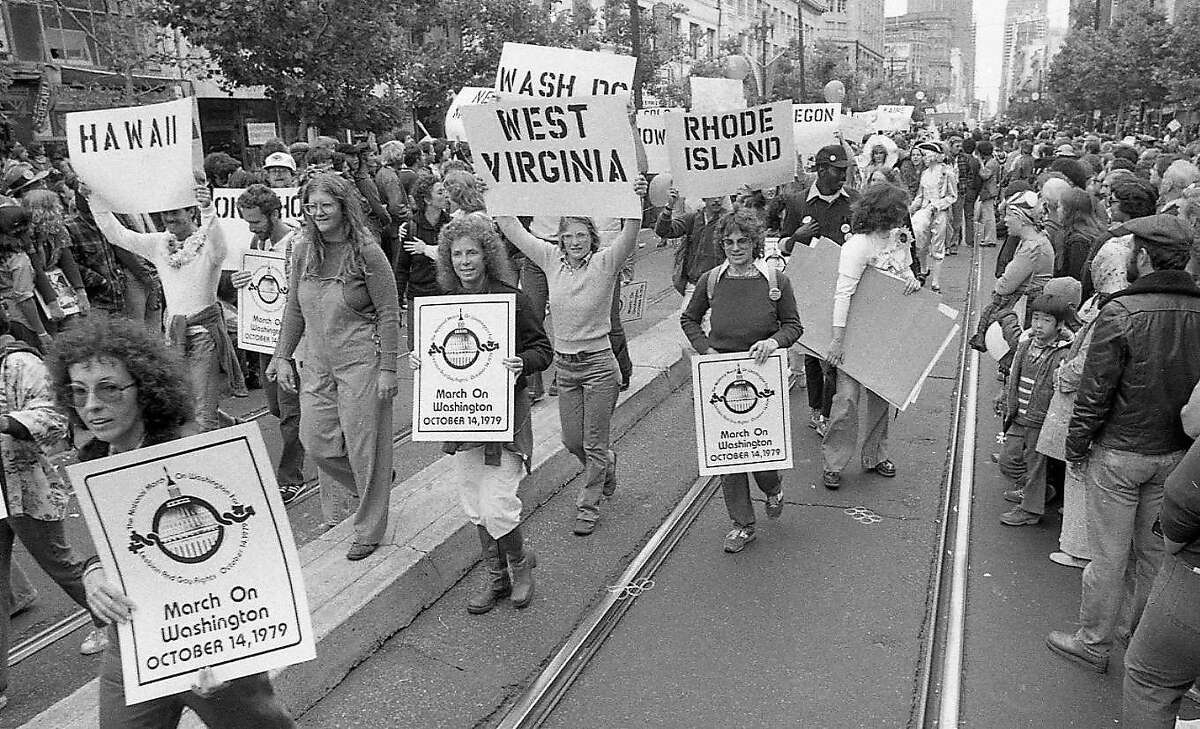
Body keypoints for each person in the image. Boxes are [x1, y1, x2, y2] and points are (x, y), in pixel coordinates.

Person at [47, 315, 294, 728]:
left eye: (108, 388)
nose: (91, 404)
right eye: (78, 392)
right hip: (134, 642)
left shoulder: (192, 452)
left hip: (211, 644)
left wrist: (222, 652)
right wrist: (92, 573)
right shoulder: (95, 457)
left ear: (144, 389)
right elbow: (113, 542)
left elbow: (250, 549)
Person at [1048, 214, 1200, 674]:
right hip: (1174, 452)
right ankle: (1141, 637)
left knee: (1108, 557)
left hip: (1119, 450)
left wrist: (1075, 446)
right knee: (1153, 554)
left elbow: (1096, 391)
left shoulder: (1122, 311)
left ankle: (1093, 641)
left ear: (1144, 256)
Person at [495, 176, 647, 536]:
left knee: (594, 442)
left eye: (581, 235)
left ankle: (589, 505)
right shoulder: (550, 261)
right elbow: (512, 228)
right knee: (572, 442)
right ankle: (606, 465)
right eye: (568, 236)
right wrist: (497, 193)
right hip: (565, 367)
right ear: (559, 239)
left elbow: (631, 228)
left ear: (591, 237)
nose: (574, 242)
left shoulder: (606, 263)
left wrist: (634, 197)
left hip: (598, 365)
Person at [269, 173, 400, 561]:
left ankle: (369, 529)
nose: (318, 212)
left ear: (344, 206)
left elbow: (390, 313)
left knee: (364, 448)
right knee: (316, 442)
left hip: (362, 360)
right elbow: (294, 307)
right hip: (318, 363)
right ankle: (375, 484)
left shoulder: (367, 253)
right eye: (311, 206)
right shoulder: (303, 252)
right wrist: (281, 355)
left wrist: (389, 369)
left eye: (326, 205)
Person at [428, 215, 551, 612]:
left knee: (498, 503)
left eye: (472, 252)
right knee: (473, 503)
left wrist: (522, 362)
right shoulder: (444, 303)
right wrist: (422, 366)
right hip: (463, 420)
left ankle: (520, 566)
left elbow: (542, 349)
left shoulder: (510, 299)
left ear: (487, 255)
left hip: (505, 419)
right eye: (457, 254)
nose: (464, 260)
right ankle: (497, 576)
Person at [680, 209, 802, 552]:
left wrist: (773, 341)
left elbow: (793, 325)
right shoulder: (711, 280)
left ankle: (772, 488)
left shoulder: (775, 280)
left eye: (742, 241)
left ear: (755, 243)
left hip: (762, 376)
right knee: (728, 455)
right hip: (721, 376)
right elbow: (689, 319)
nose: (735, 248)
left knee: (761, 456)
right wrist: (706, 350)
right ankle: (742, 524)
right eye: (729, 242)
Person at [85, 181, 241, 431]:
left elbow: (220, 247)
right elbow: (117, 235)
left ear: (190, 212)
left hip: (204, 336)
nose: (170, 218)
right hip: (174, 336)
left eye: (176, 212)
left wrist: (207, 207)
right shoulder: (158, 244)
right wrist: (95, 200)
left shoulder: (207, 245)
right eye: (166, 213)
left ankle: (209, 456)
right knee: (185, 404)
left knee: (201, 413)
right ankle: (235, 429)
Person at [822, 183, 921, 490]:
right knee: (847, 399)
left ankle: (876, 455)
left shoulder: (899, 239)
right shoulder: (858, 245)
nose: (899, 219)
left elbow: (905, 271)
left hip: (886, 329)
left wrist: (912, 280)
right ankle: (834, 461)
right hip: (856, 331)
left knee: (881, 396)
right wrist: (838, 340)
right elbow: (843, 293)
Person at [1041, 241, 1132, 570]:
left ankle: (1078, 548)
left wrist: (1063, 375)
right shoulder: (1122, 305)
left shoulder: (1109, 311)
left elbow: (1086, 364)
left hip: (1087, 405)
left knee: (1079, 473)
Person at [229, 185, 306, 504]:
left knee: (290, 412)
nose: (252, 228)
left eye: (256, 221)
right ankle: (337, 443)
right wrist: (238, 281)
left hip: (289, 343)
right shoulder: (256, 242)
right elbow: (252, 285)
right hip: (263, 337)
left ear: (275, 214)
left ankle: (291, 477)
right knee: (276, 406)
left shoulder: (297, 242)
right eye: (247, 222)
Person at [777, 144, 856, 436]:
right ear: (821, 170)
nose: (843, 177)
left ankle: (828, 410)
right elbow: (783, 246)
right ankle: (817, 411)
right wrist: (795, 237)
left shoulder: (854, 202)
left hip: (844, 289)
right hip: (811, 290)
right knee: (813, 354)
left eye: (845, 171)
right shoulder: (798, 203)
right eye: (838, 171)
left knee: (835, 354)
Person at [995, 294, 1074, 526]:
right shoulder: (1026, 343)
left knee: (1035, 464)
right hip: (1019, 414)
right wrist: (1004, 395)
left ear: (1059, 325)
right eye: (1035, 318)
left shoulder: (1063, 352)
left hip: (1041, 419)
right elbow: (1014, 373)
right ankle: (1038, 490)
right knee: (1008, 460)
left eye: (1046, 320)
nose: (1038, 325)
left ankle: (1030, 509)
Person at [968, 191, 1054, 352]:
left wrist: (1000, 282)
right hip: (1032, 304)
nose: (1004, 220)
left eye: (1008, 215)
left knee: (1017, 354)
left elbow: (1005, 286)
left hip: (1025, 310)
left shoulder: (1032, 248)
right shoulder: (1037, 241)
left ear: (1020, 218)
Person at [395, 172, 447, 348]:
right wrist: (397, 300)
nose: (446, 194)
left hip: (446, 293)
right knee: (417, 346)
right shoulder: (411, 228)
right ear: (427, 199)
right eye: (440, 192)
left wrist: (426, 249)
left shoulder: (451, 225)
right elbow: (401, 268)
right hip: (419, 295)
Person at [0, 206, 54, 352]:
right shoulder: (18, 260)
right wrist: (41, 332)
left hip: (5, 317)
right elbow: (24, 300)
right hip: (21, 320)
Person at [909, 141, 957, 293]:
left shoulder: (946, 173)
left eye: (926, 154)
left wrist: (939, 205)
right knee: (919, 241)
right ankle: (923, 269)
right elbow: (920, 195)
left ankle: (936, 281)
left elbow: (952, 196)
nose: (923, 158)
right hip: (924, 211)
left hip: (939, 213)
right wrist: (911, 207)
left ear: (935, 155)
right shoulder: (924, 173)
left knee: (937, 246)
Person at [975, 140, 1001, 247]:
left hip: (989, 191)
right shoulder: (994, 162)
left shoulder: (991, 163)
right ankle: (988, 238)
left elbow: (984, 175)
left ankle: (990, 239)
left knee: (988, 216)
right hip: (991, 190)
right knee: (987, 215)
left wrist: (980, 164)